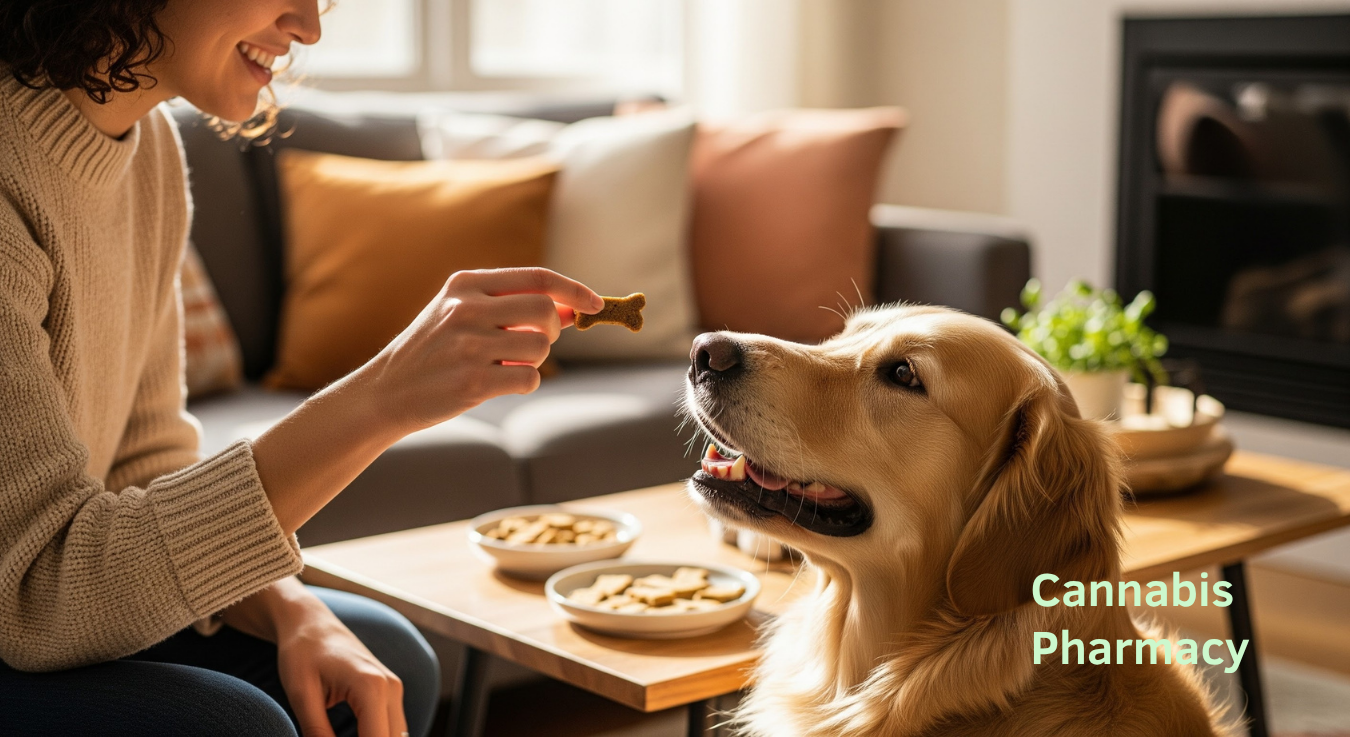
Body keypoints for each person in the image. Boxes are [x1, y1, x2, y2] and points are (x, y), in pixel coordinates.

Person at [0, 0, 604, 735]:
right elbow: (32, 593)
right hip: (22, 615)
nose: (309, 26)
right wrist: (382, 397)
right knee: (242, 723)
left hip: (54, 604)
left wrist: (289, 606)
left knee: (387, 657)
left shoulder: (149, 146)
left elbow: (145, 463)